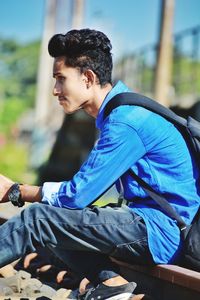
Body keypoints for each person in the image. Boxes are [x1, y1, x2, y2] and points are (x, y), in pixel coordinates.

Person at [0, 28, 199, 300]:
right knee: (53, 215)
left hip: (161, 231)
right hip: (154, 224)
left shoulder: (125, 122)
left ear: (88, 78)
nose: (55, 90)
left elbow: (77, 195)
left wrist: (16, 191)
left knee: (38, 219)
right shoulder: (118, 114)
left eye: (60, 79)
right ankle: (112, 283)